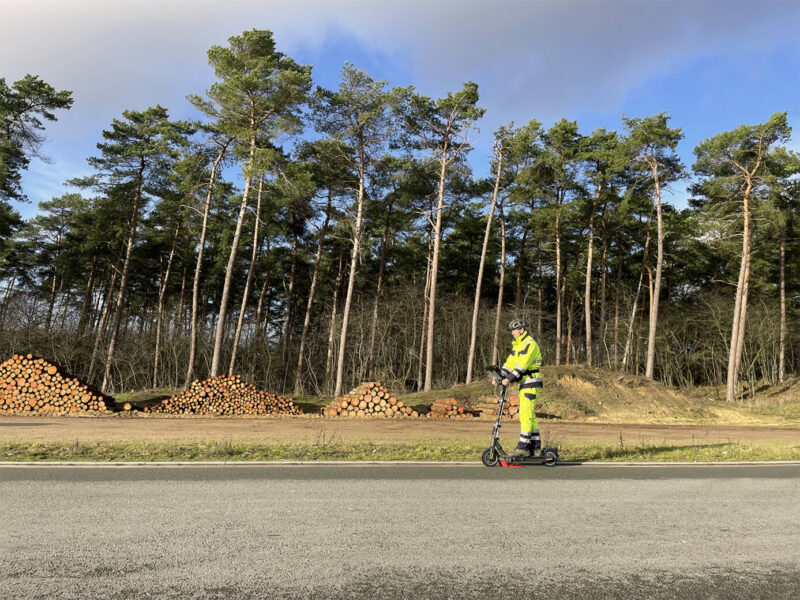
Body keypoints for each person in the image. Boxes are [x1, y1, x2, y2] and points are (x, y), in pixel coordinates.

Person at [492, 318, 543, 458]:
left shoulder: (530, 344)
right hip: (525, 384)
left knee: (525, 415)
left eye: (514, 330)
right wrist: (499, 375)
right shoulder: (518, 346)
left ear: (521, 330)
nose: (512, 333)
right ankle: (536, 448)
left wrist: (509, 379)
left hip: (531, 382)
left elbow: (521, 366)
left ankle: (524, 448)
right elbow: (510, 363)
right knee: (530, 416)